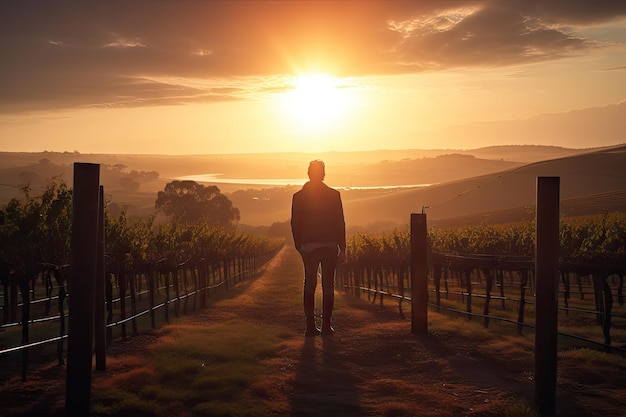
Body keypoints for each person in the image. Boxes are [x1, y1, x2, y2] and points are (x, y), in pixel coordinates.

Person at [291, 160, 346, 337]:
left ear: (308, 174)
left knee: (309, 285)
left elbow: (295, 224)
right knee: (328, 286)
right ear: (323, 174)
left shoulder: (298, 197)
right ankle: (326, 327)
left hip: (308, 247)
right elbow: (340, 222)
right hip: (330, 245)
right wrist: (343, 247)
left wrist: (299, 245)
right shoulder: (334, 195)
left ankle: (310, 327)